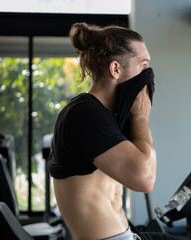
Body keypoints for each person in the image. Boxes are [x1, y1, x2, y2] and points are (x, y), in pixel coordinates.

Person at [48, 23, 183, 240]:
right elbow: (144, 179)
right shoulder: (85, 114)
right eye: (143, 65)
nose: (148, 74)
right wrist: (140, 117)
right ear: (116, 69)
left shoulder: (104, 114)